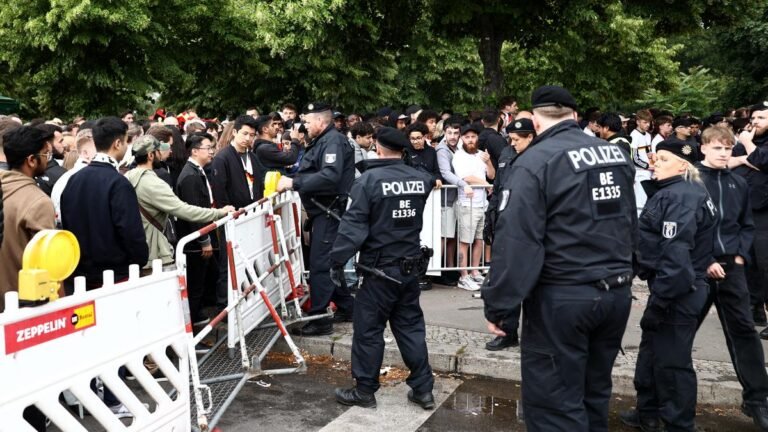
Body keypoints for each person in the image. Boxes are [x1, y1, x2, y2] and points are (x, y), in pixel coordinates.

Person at [482, 86, 636, 431]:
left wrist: (500, 306)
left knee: (554, 406)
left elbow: (517, 240)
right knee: (593, 396)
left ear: (534, 121)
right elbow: (629, 219)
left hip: (563, 297)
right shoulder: (611, 153)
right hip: (615, 292)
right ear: (576, 116)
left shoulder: (536, 160)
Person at [329, 127, 437, 410]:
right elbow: (425, 182)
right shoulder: (420, 179)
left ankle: (365, 390)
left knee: (368, 331)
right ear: (403, 150)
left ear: (377, 147)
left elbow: (353, 228)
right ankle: (423, 389)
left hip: (378, 272)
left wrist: (337, 261)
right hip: (410, 270)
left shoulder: (368, 181)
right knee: (411, 329)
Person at [621, 137, 717, 432]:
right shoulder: (675, 191)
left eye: (662, 159)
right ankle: (647, 412)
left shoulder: (680, 196)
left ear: (683, 164)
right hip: (670, 285)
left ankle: (678, 423)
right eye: (654, 158)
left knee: (672, 361)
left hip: (678, 290)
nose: (654, 163)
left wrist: (660, 302)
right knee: (652, 351)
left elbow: (675, 256)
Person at [60, 117, 148, 418]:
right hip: (114, 273)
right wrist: (138, 260)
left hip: (79, 273)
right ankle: (113, 396)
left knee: (87, 337)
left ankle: (88, 394)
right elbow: (131, 232)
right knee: (118, 339)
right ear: (118, 143)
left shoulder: (73, 179)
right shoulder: (117, 182)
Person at [694, 126, 768, 430]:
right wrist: (705, 259)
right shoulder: (693, 181)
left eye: (728, 148)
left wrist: (739, 256)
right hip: (697, 269)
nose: (724, 153)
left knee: (744, 333)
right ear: (704, 149)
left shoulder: (739, 182)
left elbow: (745, 225)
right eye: (718, 148)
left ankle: (758, 401)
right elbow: (688, 226)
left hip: (731, 268)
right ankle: (654, 402)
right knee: (673, 334)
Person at [277, 102, 355, 336]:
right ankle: (347, 307)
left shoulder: (332, 142)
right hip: (324, 210)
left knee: (321, 264)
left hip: (329, 211)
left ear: (321, 122)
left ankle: (320, 318)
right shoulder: (324, 141)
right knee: (330, 261)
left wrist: (294, 183)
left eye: (309, 121)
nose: (305, 126)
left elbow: (330, 176)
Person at [125, 135, 232, 270]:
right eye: (159, 151)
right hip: (155, 254)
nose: (166, 153)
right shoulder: (153, 183)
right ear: (151, 156)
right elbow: (184, 210)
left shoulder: (128, 177)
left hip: (137, 249)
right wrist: (220, 212)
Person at [482, 118, 535, 351]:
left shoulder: (537, 157)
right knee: (507, 280)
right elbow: (498, 190)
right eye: (511, 139)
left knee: (531, 284)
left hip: (526, 226)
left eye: (517, 139)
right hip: (504, 221)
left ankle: (535, 334)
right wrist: (490, 219)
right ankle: (507, 331)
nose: (513, 144)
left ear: (530, 137)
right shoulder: (506, 153)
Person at [0, 126, 56, 312]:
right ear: (31, 160)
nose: (48, 159)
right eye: (45, 154)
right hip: (25, 306)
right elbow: (50, 265)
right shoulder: (37, 202)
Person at [729, 102, 768, 330]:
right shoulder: (747, 144)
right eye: (753, 118)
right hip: (745, 210)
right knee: (748, 260)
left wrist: (746, 142)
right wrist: (744, 156)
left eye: (761, 118)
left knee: (765, 263)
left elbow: (763, 161)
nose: (755, 123)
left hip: (766, 211)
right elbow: (728, 163)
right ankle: (754, 307)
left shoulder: (748, 142)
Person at [452, 123, 494, 291]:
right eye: (467, 137)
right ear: (462, 138)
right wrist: (485, 184)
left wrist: (489, 161)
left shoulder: (482, 155)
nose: (470, 140)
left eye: (473, 137)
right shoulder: (459, 156)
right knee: (465, 241)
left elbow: (492, 175)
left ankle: (475, 271)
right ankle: (463, 276)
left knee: (479, 240)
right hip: (466, 204)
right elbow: (466, 177)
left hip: (482, 203)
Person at [631, 109, 654, 215]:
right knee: (640, 202)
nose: (648, 125)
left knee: (647, 201)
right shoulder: (634, 135)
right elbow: (634, 158)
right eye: (645, 122)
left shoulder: (648, 135)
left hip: (649, 171)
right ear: (638, 122)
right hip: (640, 172)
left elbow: (648, 153)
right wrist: (647, 166)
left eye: (649, 122)